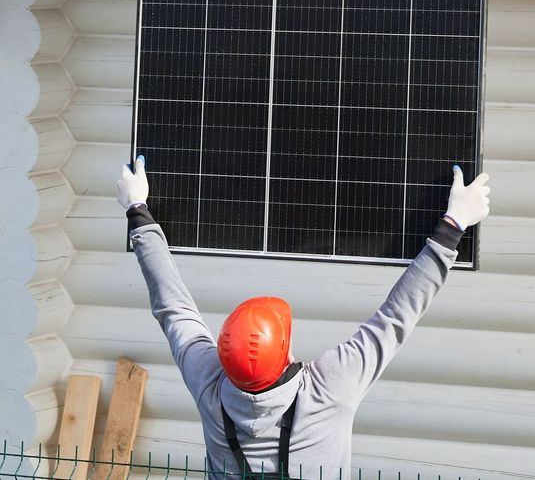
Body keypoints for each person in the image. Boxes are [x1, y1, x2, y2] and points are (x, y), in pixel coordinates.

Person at [116, 156, 490, 479]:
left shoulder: (209, 384)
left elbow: (172, 308)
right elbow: (396, 316)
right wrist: (453, 225)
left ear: (221, 353)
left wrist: (138, 211)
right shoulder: (329, 388)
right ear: (286, 352)